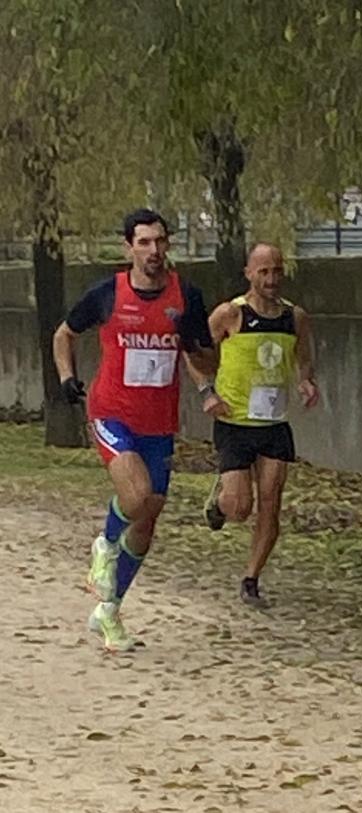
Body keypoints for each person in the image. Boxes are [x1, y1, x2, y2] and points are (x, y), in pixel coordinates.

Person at [53, 208, 226, 652]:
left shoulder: (185, 295)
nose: (154, 251)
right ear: (128, 246)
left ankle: (109, 611)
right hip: (111, 412)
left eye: (160, 241)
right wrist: (67, 378)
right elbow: (63, 335)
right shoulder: (106, 293)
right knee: (134, 494)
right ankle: (105, 544)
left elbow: (204, 358)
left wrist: (200, 354)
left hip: (159, 423)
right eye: (144, 242)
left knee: (148, 517)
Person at [200, 243, 319, 604]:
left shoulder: (294, 316)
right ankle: (219, 504)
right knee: (240, 508)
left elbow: (304, 356)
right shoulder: (230, 315)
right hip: (234, 421)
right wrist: (207, 391)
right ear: (249, 273)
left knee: (271, 503)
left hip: (274, 424)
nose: (271, 279)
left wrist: (306, 381)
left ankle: (251, 578)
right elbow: (195, 353)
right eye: (263, 271)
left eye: (277, 271)